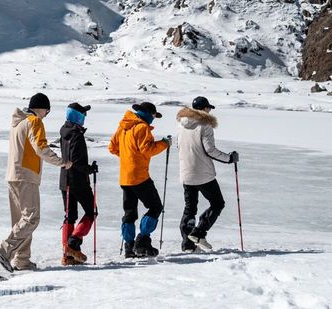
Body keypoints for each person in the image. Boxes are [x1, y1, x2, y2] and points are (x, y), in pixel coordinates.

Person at [0, 93, 72, 272]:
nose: (46, 115)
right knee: (31, 218)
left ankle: (21, 259)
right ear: (41, 108)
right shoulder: (34, 122)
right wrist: (62, 162)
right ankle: (4, 249)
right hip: (26, 176)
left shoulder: (18, 123)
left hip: (13, 175)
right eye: (47, 111)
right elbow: (41, 147)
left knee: (20, 221)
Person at [176, 96, 239, 252]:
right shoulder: (205, 125)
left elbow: (178, 145)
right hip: (203, 174)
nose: (210, 110)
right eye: (208, 108)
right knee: (218, 203)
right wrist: (229, 158)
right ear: (204, 108)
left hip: (186, 173)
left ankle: (188, 245)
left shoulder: (181, 125)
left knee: (190, 209)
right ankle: (198, 233)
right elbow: (209, 150)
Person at [108, 101, 170, 258]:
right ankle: (142, 241)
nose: (154, 119)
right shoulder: (142, 127)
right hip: (140, 176)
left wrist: (129, 158)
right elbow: (147, 150)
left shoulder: (123, 126)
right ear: (148, 114)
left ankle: (129, 247)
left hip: (125, 177)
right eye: (154, 116)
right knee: (155, 207)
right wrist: (164, 144)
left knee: (129, 213)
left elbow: (112, 147)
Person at [59, 102, 98, 265]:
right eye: (83, 114)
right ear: (77, 116)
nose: (85, 117)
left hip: (64, 180)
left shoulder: (64, 132)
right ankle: (73, 242)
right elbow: (76, 161)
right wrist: (90, 169)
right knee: (92, 211)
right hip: (78, 181)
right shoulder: (76, 134)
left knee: (70, 215)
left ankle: (68, 255)